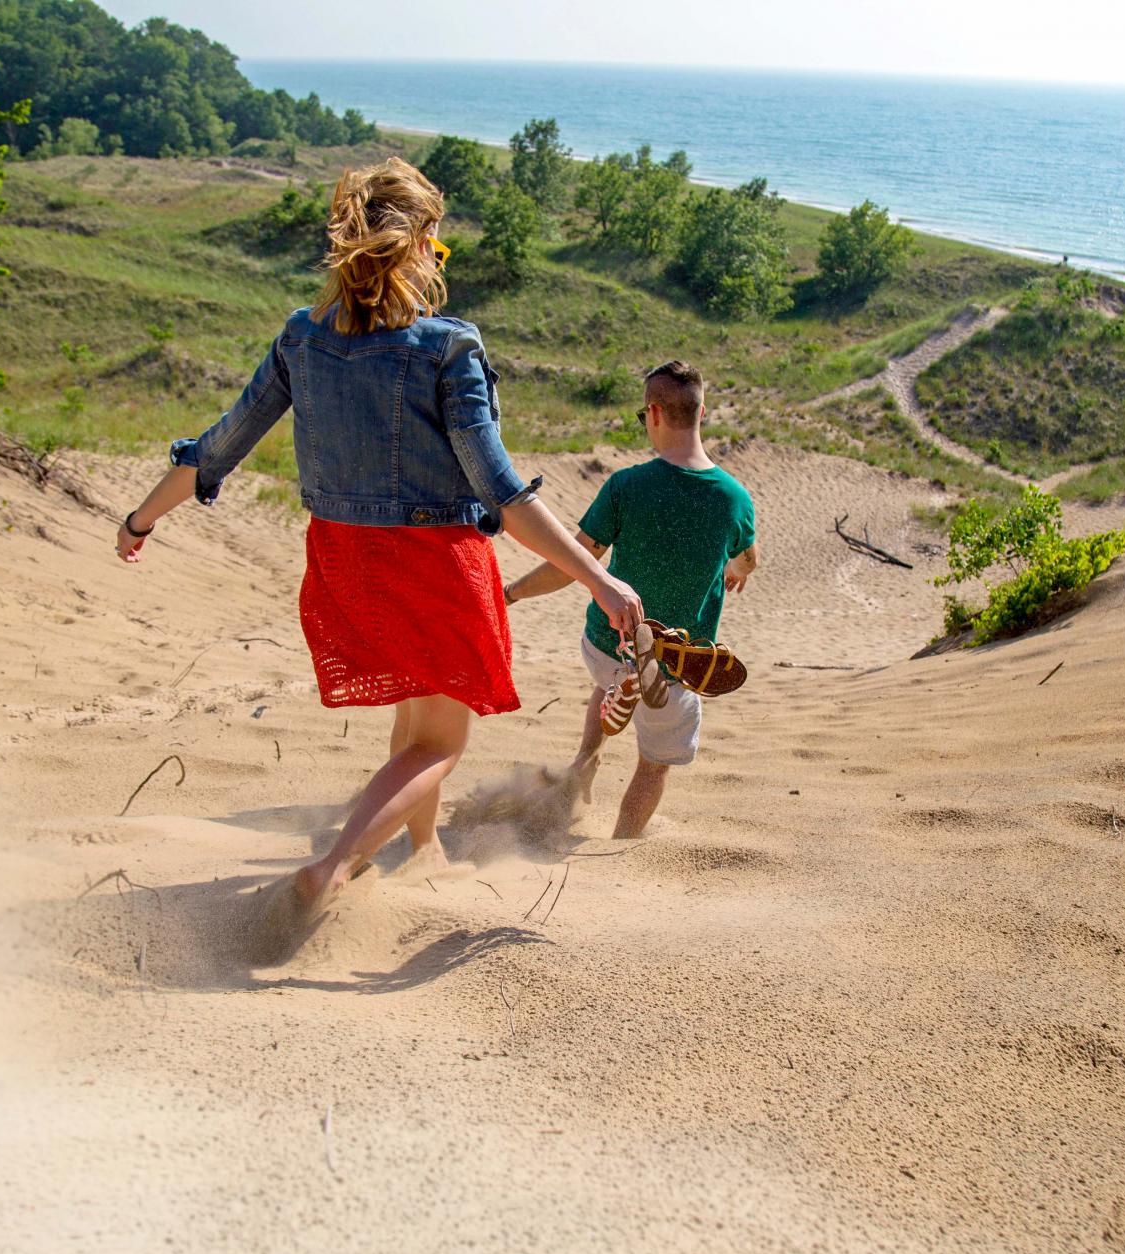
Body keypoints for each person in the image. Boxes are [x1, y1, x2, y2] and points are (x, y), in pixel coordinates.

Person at [115, 157, 641, 918]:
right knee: (440, 744)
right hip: (433, 561)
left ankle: (421, 851)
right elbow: (501, 491)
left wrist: (141, 520)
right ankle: (332, 867)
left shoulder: (302, 337)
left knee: (415, 715)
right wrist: (599, 579)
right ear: (422, 243)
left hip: (345, 563)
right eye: (438, 245)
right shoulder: (448, 347)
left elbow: (216, 447)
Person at [503, 360, 757, 838]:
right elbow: (749, 558)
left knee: (608, 680)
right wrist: (735, 570)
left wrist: (512, 593)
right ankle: (621, 852)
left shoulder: (626, 486)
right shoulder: (734, 500)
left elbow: (571, 562)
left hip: (606, 641)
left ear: (654, 413)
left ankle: (586, 759)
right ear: (701, 413)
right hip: (675, 663)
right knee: (655, 765)